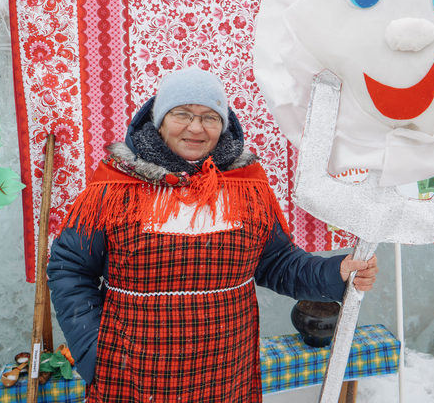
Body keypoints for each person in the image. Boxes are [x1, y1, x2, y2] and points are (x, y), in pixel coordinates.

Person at [47, 67, 378, 402]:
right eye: (182, 114)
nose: (196, 127)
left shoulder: (246, 185)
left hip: (226, 377)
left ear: (224, 124)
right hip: (133, 378)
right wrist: (92, 351)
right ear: (158, 120)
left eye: (210, 117)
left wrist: (335, 273)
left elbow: (276, 262)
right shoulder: (116, 186)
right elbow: (69, 269)